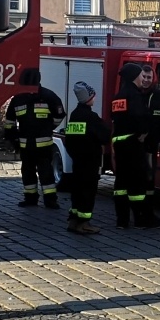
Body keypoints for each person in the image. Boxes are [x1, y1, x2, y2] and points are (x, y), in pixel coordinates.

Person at [110, 63, 160, 228]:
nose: (143, 78)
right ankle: (141, 218)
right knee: (137, 183)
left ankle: (122, 220)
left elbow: (116, 118)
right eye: (141, 75)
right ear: (134, 77)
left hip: (119, 143)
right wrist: (144, 133)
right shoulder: (135, 96)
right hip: (133, 143)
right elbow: (141, 117)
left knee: (121, 183)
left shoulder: (118, 97)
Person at [5, 68, 65, 208]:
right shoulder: (49, 96)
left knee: (32, 172)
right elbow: (59, 116)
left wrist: (14, 139)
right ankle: (48, 200)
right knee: (41, 172)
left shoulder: (18, 99)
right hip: (38, 144)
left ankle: (33, 199)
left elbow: (9, 124)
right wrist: (49, 128)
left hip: (28, 144)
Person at [62, 81, 107, 235]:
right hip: (90, 162)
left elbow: (69, 140)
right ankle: (84, 223)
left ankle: (73, 221)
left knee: (77, 191)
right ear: (89, 97)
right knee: (88, 192)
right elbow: (105, 136)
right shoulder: (91, 117)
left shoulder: (75, 115)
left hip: (78, 162)